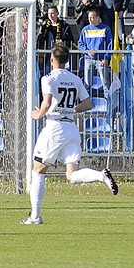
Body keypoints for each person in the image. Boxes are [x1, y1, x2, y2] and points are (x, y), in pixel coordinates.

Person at [22, 43, 118, 225]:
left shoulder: (48, 78)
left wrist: (38, 114)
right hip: (71, 128)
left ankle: (35, 216)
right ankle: (100, 175)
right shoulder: (75, 79)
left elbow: (47, 101)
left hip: (55, 127)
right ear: (66, 60)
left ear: (52, 59)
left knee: (38, 170)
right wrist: (72, 110)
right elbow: (89, 104)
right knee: (71, 175)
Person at [78, 7, 112, 96]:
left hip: (101, 59)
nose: (90, 20)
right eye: (89, 17)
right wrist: (88, 52)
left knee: (105, 83)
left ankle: (108, 105)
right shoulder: (85, 29)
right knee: (87, 84)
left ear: (98, 17)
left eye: (92, 17)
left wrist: (106, 57)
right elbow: (80, 44)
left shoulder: (106, 29)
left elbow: (110, 45)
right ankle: (87, 105)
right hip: (88, 58)